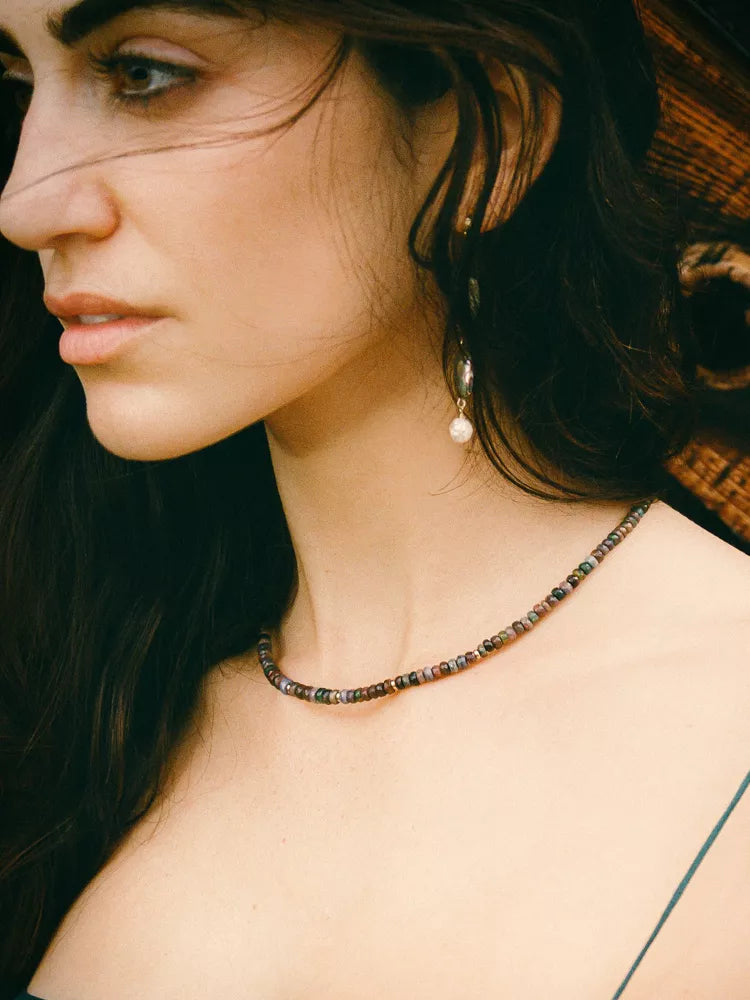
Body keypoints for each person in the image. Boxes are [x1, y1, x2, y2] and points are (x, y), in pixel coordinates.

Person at [0, 1, 748, 997]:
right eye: (18, 87)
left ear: (492, 140)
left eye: (142, 74)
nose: (24, 203)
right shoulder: (87, 674)